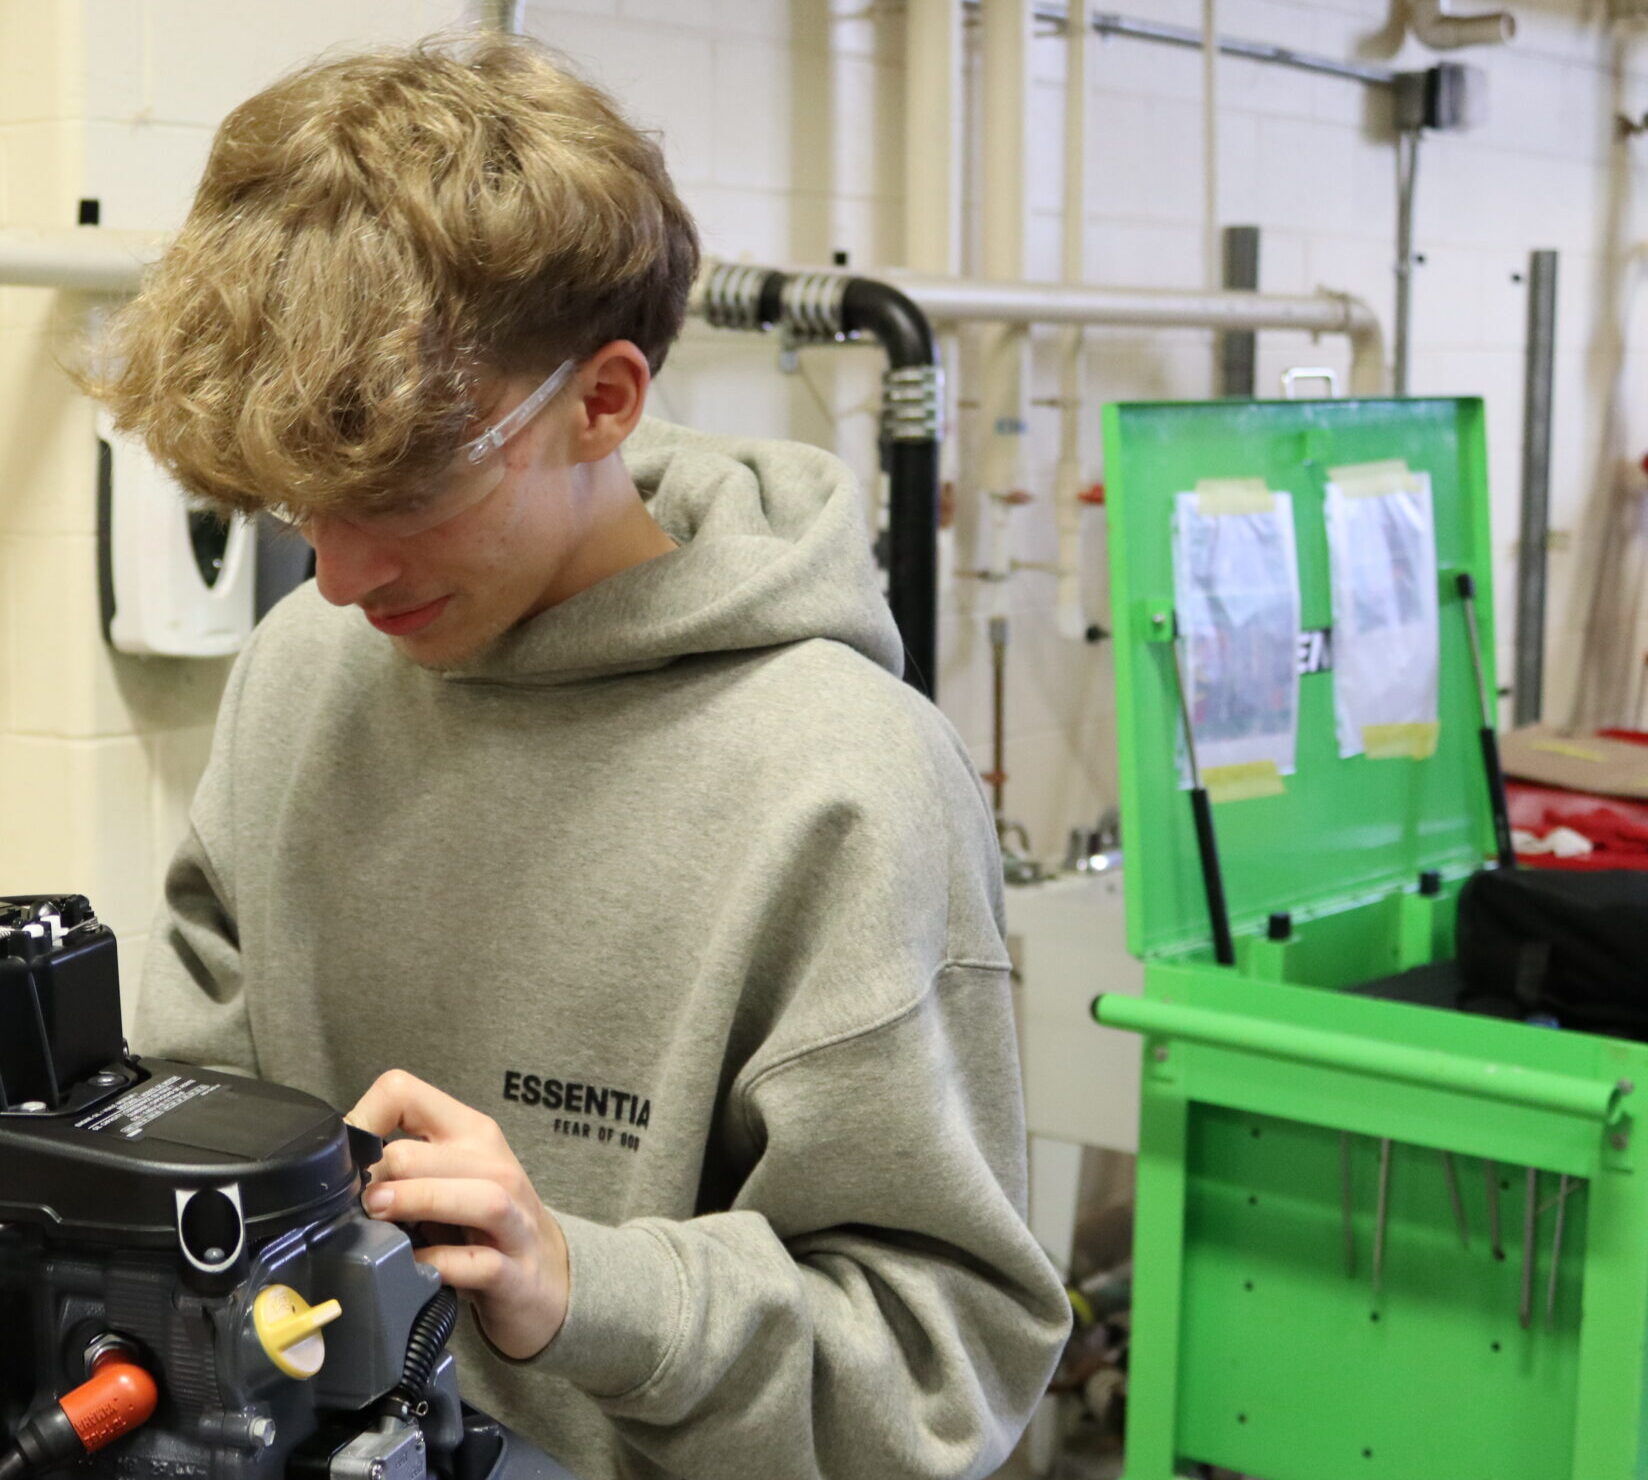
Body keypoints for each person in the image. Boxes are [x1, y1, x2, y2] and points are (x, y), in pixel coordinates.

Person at [85, 33, 1070, 1480]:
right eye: (305, 506)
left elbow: (944, 1367)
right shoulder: (307, 666)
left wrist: (579, 1286)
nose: (344, 576)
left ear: (604, 400)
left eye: (405, 493)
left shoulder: (843, 779)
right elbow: (192, 1087)